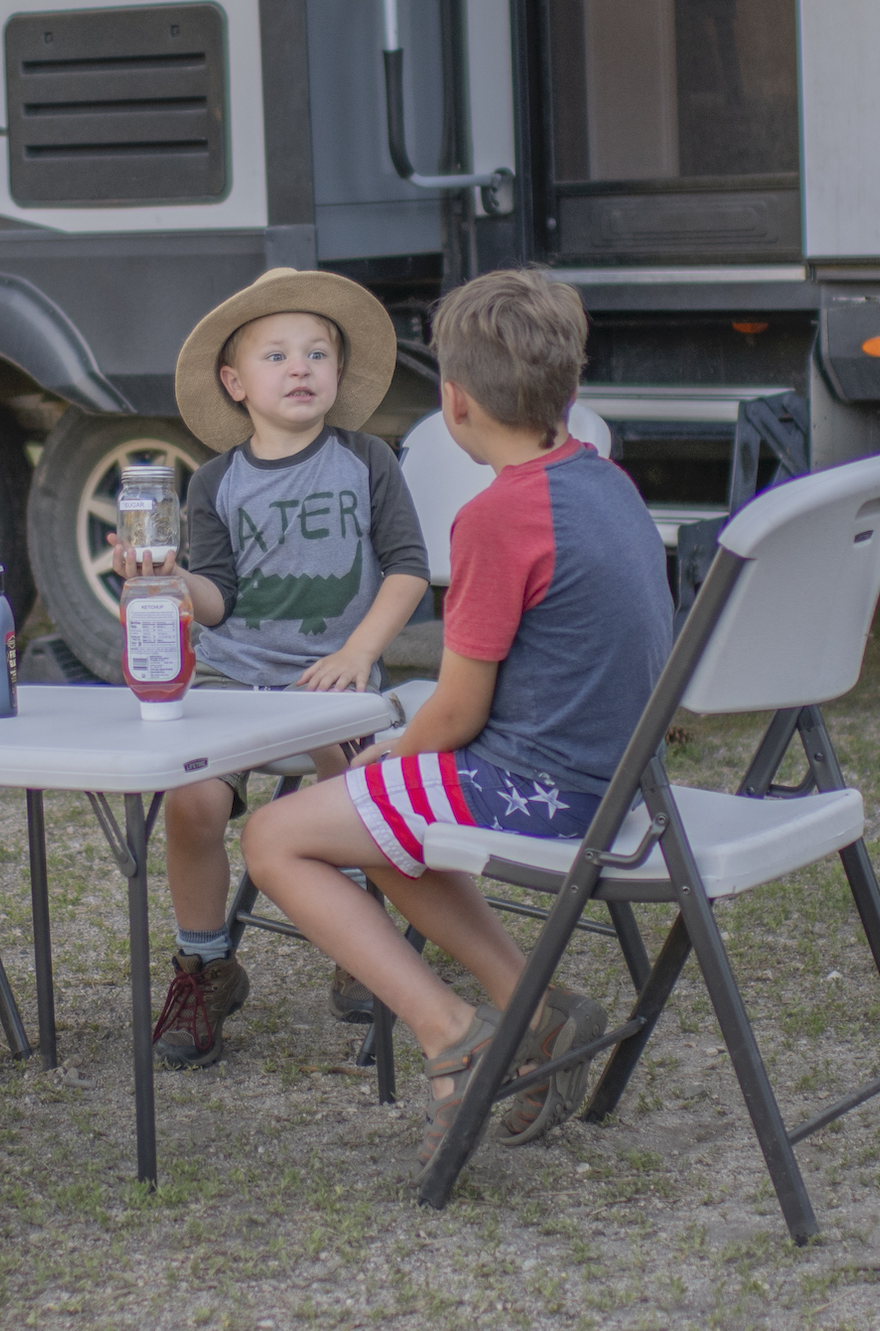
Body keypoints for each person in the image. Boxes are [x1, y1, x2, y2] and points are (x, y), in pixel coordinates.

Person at [237, 267, 668, 1158]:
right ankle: (536, 1007)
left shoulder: (498, 517)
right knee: (381, 819)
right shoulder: (605, 481)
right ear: (571, 390)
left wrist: (391, 752)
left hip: (547, 792)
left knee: (276, 837)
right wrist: (400, 762)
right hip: (620, 780)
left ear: (454, 401)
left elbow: (459, 710)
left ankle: (447, 1033)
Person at [116, 269, 433, 1071]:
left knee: (350, 780)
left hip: (332, 676)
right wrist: (162, 577)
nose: (301, 367)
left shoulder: (367, 461)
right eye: (278, 354)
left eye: (318, 352)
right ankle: (205, 962)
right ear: (235, 383)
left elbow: (406, 568)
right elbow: (215, 599)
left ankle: (358, 936)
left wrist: (360, 652)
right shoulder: (216, 481)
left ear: (337, 373)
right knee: (191, 795)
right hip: (232, 678)